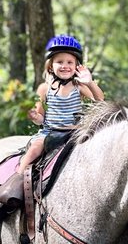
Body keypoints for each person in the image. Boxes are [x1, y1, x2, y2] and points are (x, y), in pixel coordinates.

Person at [19, 33, 104, 172]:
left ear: (76, 66)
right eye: (60, 62)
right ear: (51, 66)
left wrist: (89, 82)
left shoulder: (79, 86)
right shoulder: (44, 88)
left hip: (75, 133)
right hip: (49, 133)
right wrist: (34, 116)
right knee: (34, 150)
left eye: (70, 62)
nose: (65, 66)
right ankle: (18, 178)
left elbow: (100, 100)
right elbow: (40, 120)